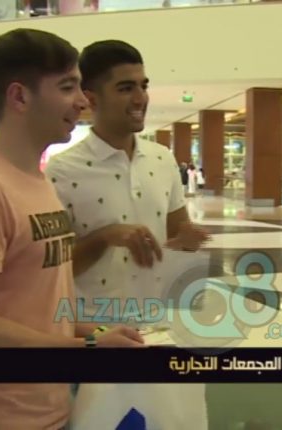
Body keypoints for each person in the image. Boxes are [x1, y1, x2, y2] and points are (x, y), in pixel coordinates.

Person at [0, 29, 143, 430]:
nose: (82, 101)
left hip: (49, 410)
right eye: (67, 87)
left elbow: (37, 309)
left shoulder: (35, 179)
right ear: (20, 97)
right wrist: (88, 346)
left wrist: (101, 332)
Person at [45, 39, 210, 430]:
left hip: (158, 328)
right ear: (91, 98)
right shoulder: (63, 171)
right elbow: (53, 269)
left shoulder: (162, 159)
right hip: (93, 332)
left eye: (143, 85)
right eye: (125, 88)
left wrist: (188, 241)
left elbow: (176, 231)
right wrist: (106, 237)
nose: (141, 98)